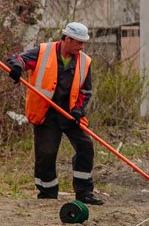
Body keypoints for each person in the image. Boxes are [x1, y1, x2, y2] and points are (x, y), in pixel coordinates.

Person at [6, 22, 103, 205]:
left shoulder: (84, 61)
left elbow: (85, 91)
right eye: (79, 43)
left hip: (70, 115)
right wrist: (17, 68)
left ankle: (84, 193)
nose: (82, 47)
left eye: (83, 43)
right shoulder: (42, 52)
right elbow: (19, 59)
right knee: (46, 153)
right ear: (67, 39)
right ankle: (48, 193)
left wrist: (77, 111)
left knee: (86, 147)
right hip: (46, 114)